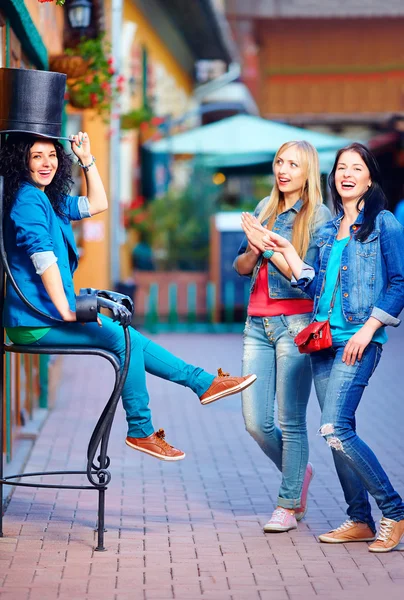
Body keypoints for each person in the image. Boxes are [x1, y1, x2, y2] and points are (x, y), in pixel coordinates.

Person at [0, 132, 257, 462]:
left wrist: (87, 160)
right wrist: (65, 309)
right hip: (36, 320)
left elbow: (97, 204)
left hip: (46, 312)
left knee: (127, 335)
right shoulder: (27, 199)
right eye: (37, 156)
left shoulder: (46, 197)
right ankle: (141, 429)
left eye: (52, 155)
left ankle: (203, 383)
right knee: (125, 340)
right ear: (22, 160)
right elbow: (42, 256)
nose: (47, 162)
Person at [257, 142, 404, 552]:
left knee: (335, 427)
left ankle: (394, 510)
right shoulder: (327, 229)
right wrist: (285, 252)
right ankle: (358, 519)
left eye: (356, 168)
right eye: (342, 167)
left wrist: (368, 329)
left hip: (359, 339)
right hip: (324, 339)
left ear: (369, 177)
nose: (347, 174)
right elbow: (315, 283)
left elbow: (399, 283)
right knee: (338, 432)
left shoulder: (384, 223)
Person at [234, 141, 331, 533]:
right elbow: (241, 267)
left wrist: (271, 249)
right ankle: (299, 472)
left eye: (293, 163)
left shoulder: (319, 216)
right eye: (279, 161)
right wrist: (255, 248)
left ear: (307, 170)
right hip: (256, 325)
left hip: (295, 326)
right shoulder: (264, 208)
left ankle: (288, 504)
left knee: (290, 421)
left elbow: (310, 280)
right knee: (255, 422)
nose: (283, 169)